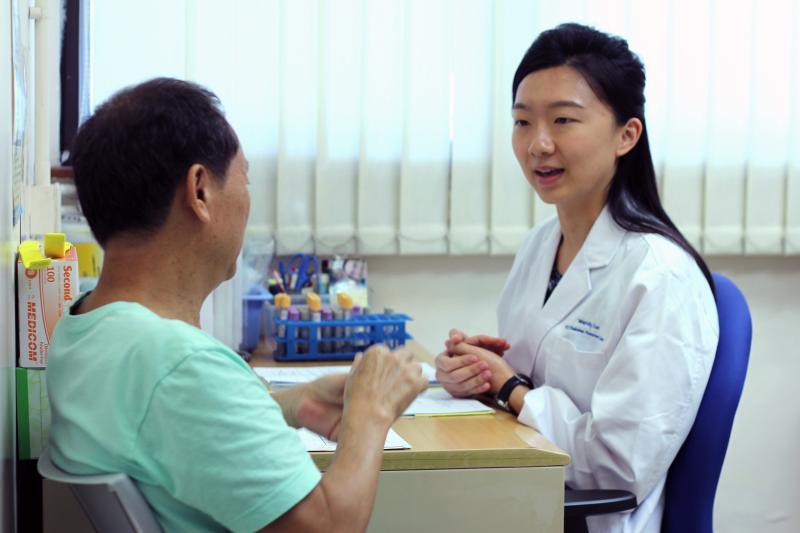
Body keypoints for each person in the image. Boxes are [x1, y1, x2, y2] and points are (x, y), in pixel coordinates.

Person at [47, 78, 428, 533]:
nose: (248, 202)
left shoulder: (85, 327)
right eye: (244, 179)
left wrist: (291, 405)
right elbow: (330, 526)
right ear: (200, 190)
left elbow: (165, 428)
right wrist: (372, 410)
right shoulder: (180, 363)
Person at [435, 23, 718, 533]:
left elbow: (617, 466)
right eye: (522, 122)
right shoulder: (540, 246)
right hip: (522, 490)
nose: (538, 144)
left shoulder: (661, 277)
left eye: (563, 120)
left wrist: (509, 390)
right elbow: (529, 381)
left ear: (626, 135)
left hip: (585, 518)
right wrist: (478, 375)